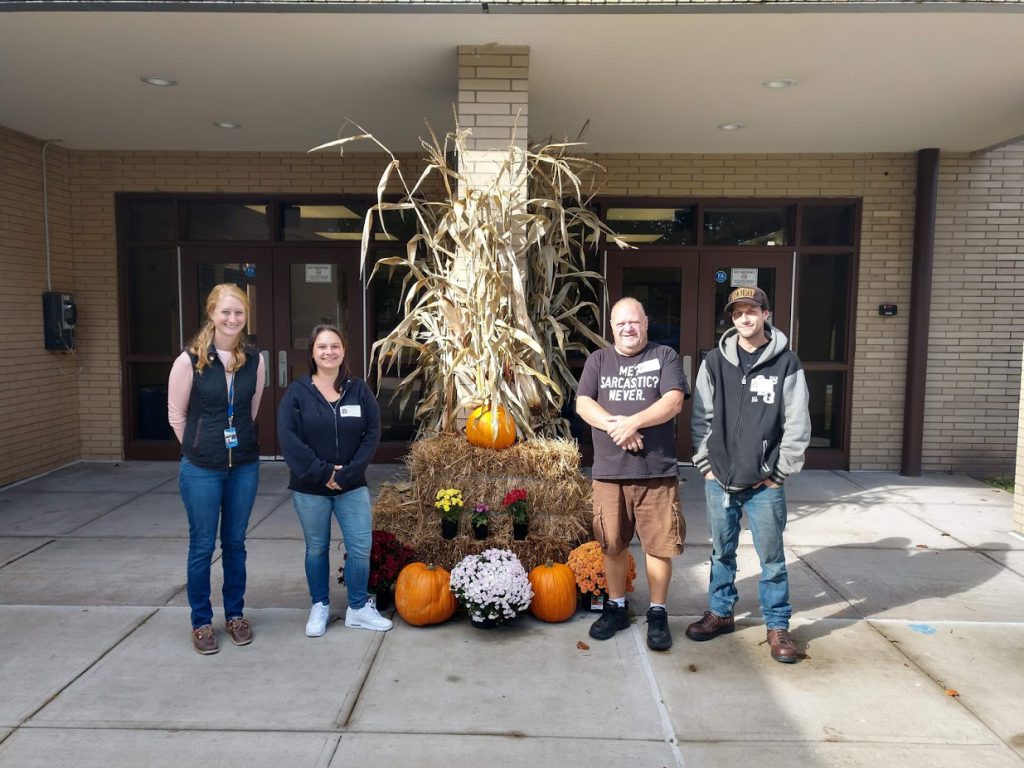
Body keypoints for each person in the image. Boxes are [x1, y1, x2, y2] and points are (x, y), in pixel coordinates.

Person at [687, 285, 810, 664]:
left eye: (752, 310)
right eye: (738, 312)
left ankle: (777, 626)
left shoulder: (786, 363)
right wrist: (706, 464)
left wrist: (779, 473)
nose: (745, 317)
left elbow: (797, 422)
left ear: (766, 314)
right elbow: (701, 417)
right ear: (732, 318)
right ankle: (721, 613)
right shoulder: (714, 362)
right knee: (721, 552)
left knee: (771, 559)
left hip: (764, 485)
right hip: (720, 480)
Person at [575, 297, 688, 651]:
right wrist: (616, 427)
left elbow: (674, 400)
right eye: (621, 323)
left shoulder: (664, 357)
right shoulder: (599, 360)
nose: (628, 328)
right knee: (612, 544)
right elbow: (583, 403)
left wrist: (634, 422)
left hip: (655, 472)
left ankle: (658, 612)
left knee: (659, 545)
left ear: (646, 322)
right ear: (612, 328)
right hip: (610, 473)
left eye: (634, 321)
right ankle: (617, 606)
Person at [168, 283, 266, 656]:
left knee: (236, 544)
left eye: (238, 313)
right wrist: (198, 447)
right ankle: (201, 621)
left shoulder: (254, 360)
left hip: (243, 465)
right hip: (201, 468)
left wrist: (233, 441)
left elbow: (251, 408)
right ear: (211, 314)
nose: (232, 319)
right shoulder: (189, 361)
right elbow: (176, 415)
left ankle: (236, 614)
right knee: (202, 546)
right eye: (225, 312)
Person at [277, 324, 391, 637]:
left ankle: (357, 608)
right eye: (322, 347)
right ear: (312, 353)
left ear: (343, 351)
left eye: (335, 346)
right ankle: (320, 606)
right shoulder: (298, 393)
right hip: (310, 487)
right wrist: (325, 473)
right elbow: (289, 440)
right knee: (316, 548)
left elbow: (372, 432)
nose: (329, 352)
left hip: (352, 485)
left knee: (360, 547)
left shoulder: (358, 389)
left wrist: (348, 473)